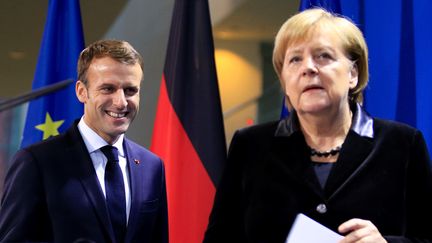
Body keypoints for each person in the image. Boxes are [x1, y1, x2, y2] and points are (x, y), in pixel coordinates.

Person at [203, 8, 432, 243]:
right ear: (284, 81)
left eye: (323, 56)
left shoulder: (403, 143)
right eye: (295, 59)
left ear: (353, 73)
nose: (308, 68)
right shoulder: (250, 146)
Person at [0, 40, 168, 243]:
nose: (121, 102)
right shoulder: (37, 162)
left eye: (130, 90)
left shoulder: (152, 166)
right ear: (81, 91)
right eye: (108, 89)